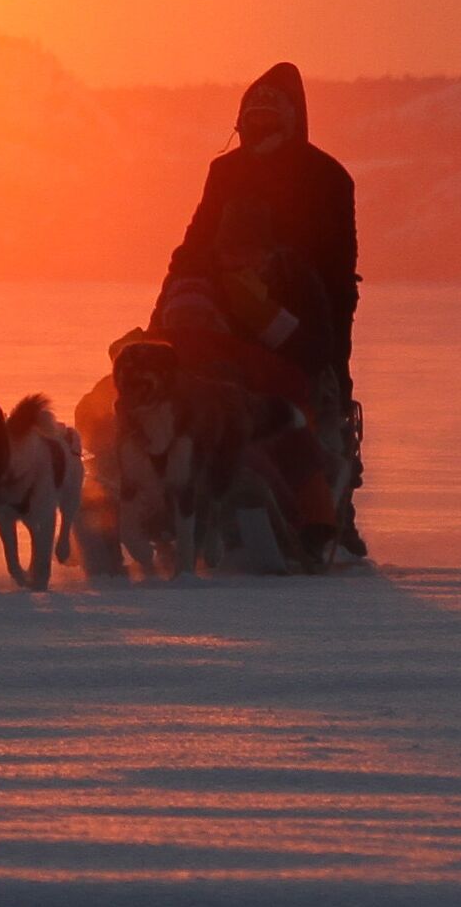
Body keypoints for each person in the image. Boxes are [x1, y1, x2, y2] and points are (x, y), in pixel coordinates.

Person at [153, 62, 366, 557]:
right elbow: (194, 242)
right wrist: (166, 307)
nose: (260, 126)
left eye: (271, 116)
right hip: (224, 307)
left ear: (293, 119)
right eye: (252, 117)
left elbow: (338, 267)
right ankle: (170, 498)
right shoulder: (224, 171)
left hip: (304, 306)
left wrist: (334, 342)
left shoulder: (327, 176)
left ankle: (333, 513)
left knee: (317, 407)